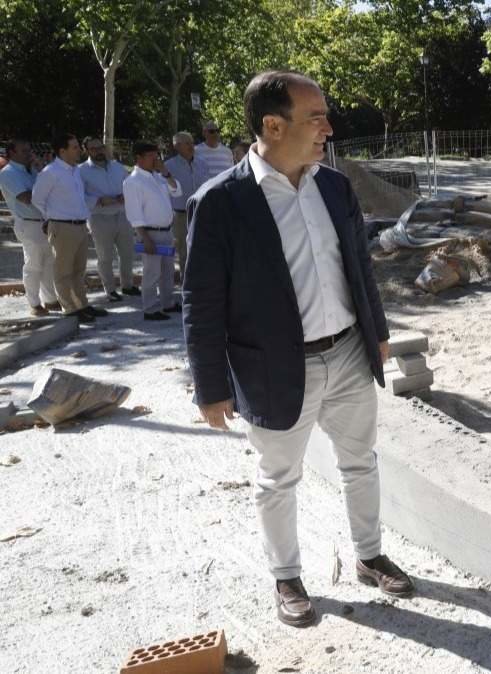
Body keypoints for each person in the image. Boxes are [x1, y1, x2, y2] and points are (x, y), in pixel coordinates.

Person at [184, 70, 409, 627]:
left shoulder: (333, 186)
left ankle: (369, 554)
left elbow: (359, 270)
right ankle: (286, 577)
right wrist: (211, 388)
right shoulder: (220, 202)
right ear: (272, 125)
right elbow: (202, 302)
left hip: (350, 357)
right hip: (275, 370)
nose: (328, 128)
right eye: (316, 118)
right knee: (278, 479)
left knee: (361, 463)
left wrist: (377, 335)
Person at [31, 134, 109, 324]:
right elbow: (37, 199)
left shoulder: (74, 171)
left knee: (78, 270)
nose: (79, 150)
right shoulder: (51, 172)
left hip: (80, 226)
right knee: (63, 271)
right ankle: (69, 308)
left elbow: (78, 199)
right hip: (63, 227)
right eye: (74, 147)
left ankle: (81, 305)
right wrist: (53, 217)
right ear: (62, 151)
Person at [123, 141, 182, 321]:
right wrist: (145, 238)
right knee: (151, 272)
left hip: (166, 231)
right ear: (139, 158)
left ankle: (168, 302)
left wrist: (165, 172)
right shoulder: (133, 181)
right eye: (151, 156)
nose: (156, 159)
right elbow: (134, 213)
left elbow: (177, 191)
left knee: (167, 270)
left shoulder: (157, 177)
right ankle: (150, 308)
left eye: (157, 155)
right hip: (150, 233)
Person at [0, 140, 60, 316]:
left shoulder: (33, 170)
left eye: (29, 150)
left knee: (49, 263)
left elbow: (52, 188)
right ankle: (34, 303)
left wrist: (41, 168)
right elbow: (26, 198)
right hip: (28, 222)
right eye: (24, 150)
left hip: (43, 221)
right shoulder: (8, 174)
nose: (29, 153)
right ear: (12, 152)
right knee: (34, 264)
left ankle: (50, 300)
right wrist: (45, 194)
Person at [79, 137, 138, 302]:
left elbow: (130, 185)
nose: (98, 151)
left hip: (122, 214)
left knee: (127, 253)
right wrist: (98, 200)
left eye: (100, 147)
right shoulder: (81, 171)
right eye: (93, 149)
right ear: (86, 151)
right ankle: (110, 289)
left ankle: (128, 285)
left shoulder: (118, 167)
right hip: (99, 217)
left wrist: (125, 195)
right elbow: (79, 195)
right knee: (105, 256)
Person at [163, 132, 209, 274]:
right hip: (181, 216)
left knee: (203, 249)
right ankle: (186, 283)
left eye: (192, 142)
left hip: (201, 213)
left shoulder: (202, 163)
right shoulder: (168, 166)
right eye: (187, 143)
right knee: (184, 251)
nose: (191, 146)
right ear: (177, 146)